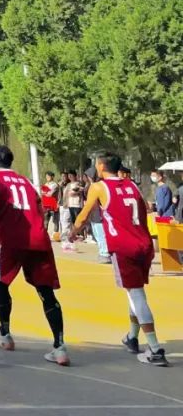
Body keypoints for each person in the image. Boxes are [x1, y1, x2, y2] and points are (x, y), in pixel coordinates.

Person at [70, 152, 167, 366]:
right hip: (143, 245)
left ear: (101, 166)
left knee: (137, 295)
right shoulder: (132, 186)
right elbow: (145, 209)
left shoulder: (99, 187)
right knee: (134, 291)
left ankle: (155, 348)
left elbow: (84, 215)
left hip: (124, 247)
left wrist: (72, 232)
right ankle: (132, 337)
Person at [0, 145, 69, 366]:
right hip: (37, 238)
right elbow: (40, 206)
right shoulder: (26, 181)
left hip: (11, 238)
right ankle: (59, 348)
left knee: (1, 284)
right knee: (46, 292)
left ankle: (4, 333)